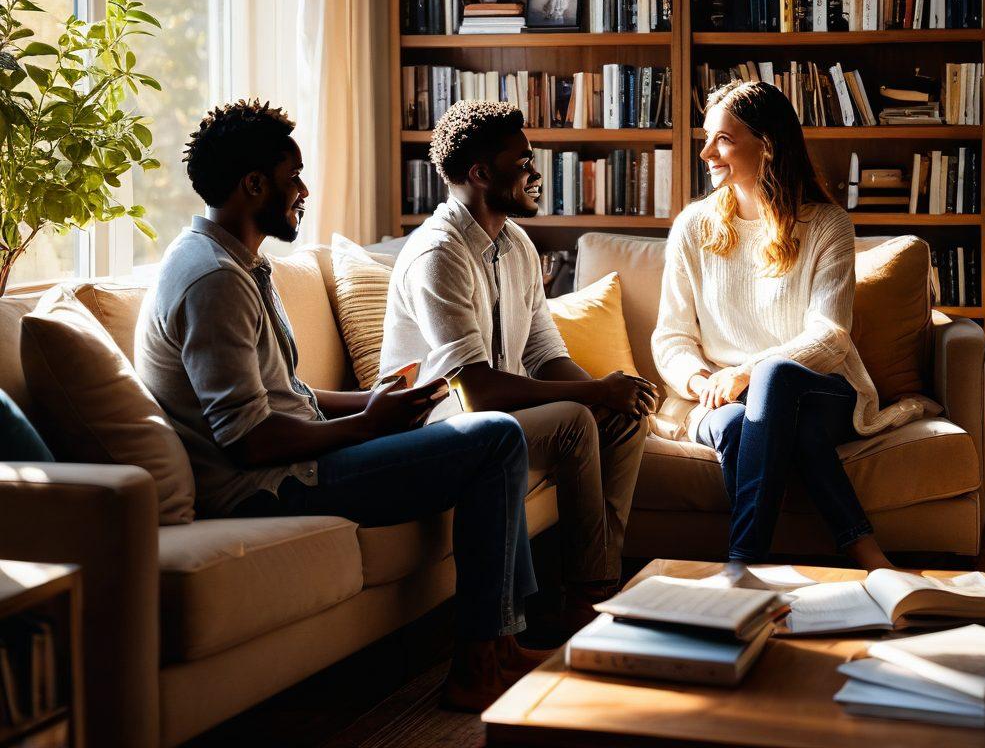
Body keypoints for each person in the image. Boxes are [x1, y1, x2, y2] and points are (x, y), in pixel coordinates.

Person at [134, 99, 545, 712]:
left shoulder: (238, 263)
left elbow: (286, 396)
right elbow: (250, 440)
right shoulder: (212, 279)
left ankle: (502, 647)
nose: (303, 190)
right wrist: (363, 427)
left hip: (287, 463)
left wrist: (372, 403)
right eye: (292, 176)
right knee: (494, 436)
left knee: (486, 433)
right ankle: (480, 661)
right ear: (253, 185)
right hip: (266, 485)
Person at [380, 100, 655, 631]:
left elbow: (545, 357)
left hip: (498, 418)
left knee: (625, 414)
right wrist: (595, 392)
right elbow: (475, 392)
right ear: (481, 174)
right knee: (577, 420)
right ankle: (584, 603)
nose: (535, 174)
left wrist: (613, 393)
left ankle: (595, 589)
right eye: (524, 162)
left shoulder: (518, 244)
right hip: (438, 430)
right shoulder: (438, 255)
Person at [652, 81, 930, 569]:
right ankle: (865, 552)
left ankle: (743, 565)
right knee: (749, 424)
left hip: (818, 389)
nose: (705, 152)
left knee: (776, 379)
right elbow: (672, 335)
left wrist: (748, 372)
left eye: (722, 139)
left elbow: (830, 335)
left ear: (768, 144)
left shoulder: (827, 225)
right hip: (721, 398)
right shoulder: (693, 228)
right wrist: (703, 382)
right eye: (706, 137)